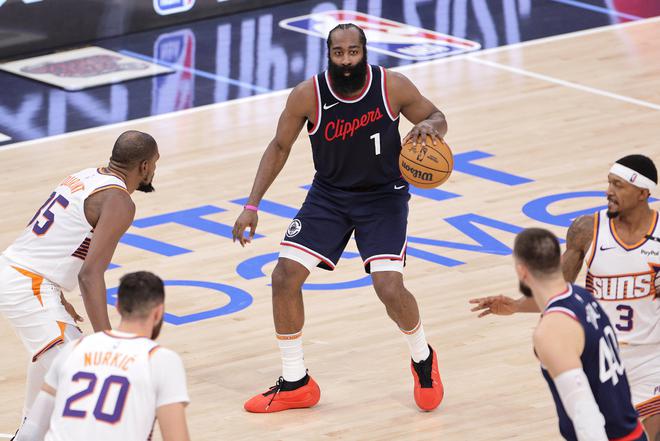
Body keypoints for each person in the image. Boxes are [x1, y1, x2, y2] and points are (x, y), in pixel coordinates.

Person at [232, 23, 446, 413]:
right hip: (329, 196)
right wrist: (252, 205)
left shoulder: (391, 86)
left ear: (364, 52)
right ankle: (296, 381)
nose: (346, 60)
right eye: (338, 53)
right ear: (328, 54)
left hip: (383, 197)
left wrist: (430, 126)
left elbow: (435, 114)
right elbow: (279, 146)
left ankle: (422, 357)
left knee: (388, 287)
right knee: (284, 276)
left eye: (352, 52)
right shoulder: (308, 94)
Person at [470, 155, 660, 439]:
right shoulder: (587, 230)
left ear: (643, 193)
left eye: (618, 185)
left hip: (651, 358)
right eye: (609, 183)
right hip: (600, 354)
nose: (608, 191)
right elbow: (558, 291)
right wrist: (516, 306)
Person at [0, 130, 160, 419]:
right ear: (145, 166)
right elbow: (90, 275)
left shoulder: (85, 176)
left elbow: (50, 241)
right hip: (28, 286)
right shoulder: (119, 201)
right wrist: (107, 343)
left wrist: (58, 295)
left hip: (22, 275)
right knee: (90, 375)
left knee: (53, 375)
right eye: (155, 163)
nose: (154, 170)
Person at [14, 271, 190, 441]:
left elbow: (30, 432)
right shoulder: (161, 360)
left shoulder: (73, 350)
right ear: (158, 312)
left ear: (118, 307)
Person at [512, 228, 646, 441]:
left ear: (522, 271)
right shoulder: (583, 296)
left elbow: (584, 412)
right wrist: (514, 307)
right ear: (558, 261)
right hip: (632, 430)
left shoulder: (552, 330)